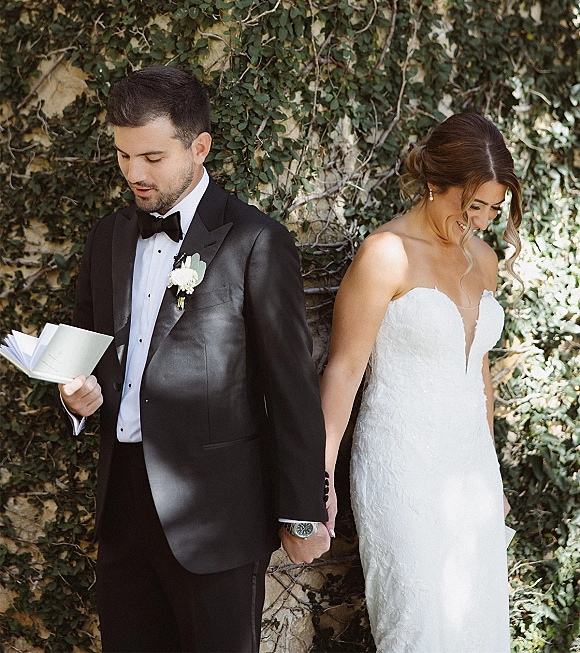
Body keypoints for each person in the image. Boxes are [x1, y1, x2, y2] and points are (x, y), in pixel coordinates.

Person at [58, 65, 330, 653]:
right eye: (125, 156)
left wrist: (304, 511)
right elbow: (88, 344)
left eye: (153, 158)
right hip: (123, 508)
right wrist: (77, 396)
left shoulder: (255, 241)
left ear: (200, 147)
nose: (135, 173)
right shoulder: (108, 236)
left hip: (217, 517)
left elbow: (292, 388)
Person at [320, 113, 523, 653]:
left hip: (470, 472)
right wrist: (318, 478)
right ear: (435, 183)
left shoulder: (483, 261)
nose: (477, 221)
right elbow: (344, 368)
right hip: (401, 466)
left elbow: (477, 371)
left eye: (490, 210)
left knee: (476, 627)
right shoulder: (386, 254)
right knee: (418, 628)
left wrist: (492, 473)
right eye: (469, 204)